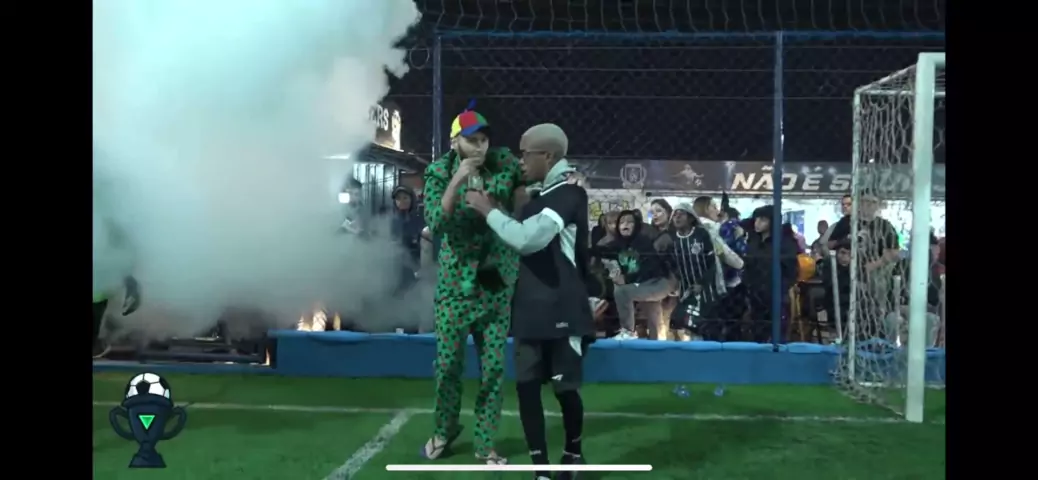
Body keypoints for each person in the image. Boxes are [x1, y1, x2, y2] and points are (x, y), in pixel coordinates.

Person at [466, 123, 593, 480]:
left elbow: (528, 240)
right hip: (528, 311)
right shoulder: (537, 197)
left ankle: (573, 454)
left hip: (563, 308)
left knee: (565, 390)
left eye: (526, 154)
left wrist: (487, 210)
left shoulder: (570, 193)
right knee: (526, 390)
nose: (520, 161)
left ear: (547, 155)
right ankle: (541, 472)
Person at [419, 104, 524, 464]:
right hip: (455, 286)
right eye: (472, 140)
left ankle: (485, 443)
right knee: (448, 365)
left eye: (484, 140)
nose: (480, 147)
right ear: (455, 143)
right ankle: (444, 430)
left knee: (493, 368)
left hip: (495, 283)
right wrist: (458, 180)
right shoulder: (438, 172)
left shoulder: (504, 163)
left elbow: (521, 203)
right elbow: (436, 223)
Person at [593, 210, 671, 340]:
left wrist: (627, 278)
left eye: (630, 222)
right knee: (653, 315)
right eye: (622, 222)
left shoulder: (643, 243)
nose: (625, 224)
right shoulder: (616, 245)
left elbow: (649, 268)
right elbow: (600, 251)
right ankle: (655, 341)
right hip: (641, 285)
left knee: (623, 292)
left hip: (657, 283)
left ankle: (628, 331)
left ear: (636, 226)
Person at [655, 204, 720, 340]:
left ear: (691, 218)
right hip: (685, 289)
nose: (677, 217)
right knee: (688, 324)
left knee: (707, 324)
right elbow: (670, 263)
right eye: (675, 214)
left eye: (681, 214)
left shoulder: (701, 234)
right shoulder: (671, 238)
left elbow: (712, 263)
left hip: (707, 289)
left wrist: (702, 283)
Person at [742, 206, 800, 342]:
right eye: (756, 219)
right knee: (757, 332)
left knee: (778, 333)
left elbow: (791, 269)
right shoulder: (753, 241)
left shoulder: (784, 242)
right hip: (755, 293)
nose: (757, 223)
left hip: (776, 292)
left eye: (763, 220)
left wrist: (783, 286)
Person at [389, 185, 425, 294]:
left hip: (416, 265)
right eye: (398, 198)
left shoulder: (419, 219)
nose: (402, 201)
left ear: (411, 199)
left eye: (405, 198)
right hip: (396, 267)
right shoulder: (392, 221)